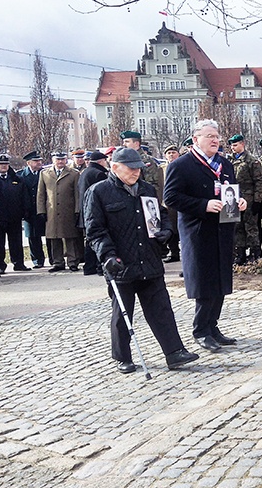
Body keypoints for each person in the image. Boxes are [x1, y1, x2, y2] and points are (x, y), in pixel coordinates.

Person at [84, 147, 199, 374]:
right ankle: (122, 357)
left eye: (139, 168)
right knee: (122, 313)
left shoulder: (147, 189)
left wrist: (166, 232)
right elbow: (95, 231)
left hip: (149, 259)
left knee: (162, 310)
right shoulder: (99, 192)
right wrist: (107, 255)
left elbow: (162, 216)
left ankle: (174, 352)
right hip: (120, 263)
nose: (136, 172)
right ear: (114, 167)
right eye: (131, 168)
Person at [164, 119, 248, 352]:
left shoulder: (224, 164)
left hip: (223, 229)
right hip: (198, 232)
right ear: (195, 140)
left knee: (221, 279)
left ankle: (213, 326)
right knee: (204, 281)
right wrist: (203, 205)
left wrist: (240, 201)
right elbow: (170, 197)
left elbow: (232, 189)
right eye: (209, 136)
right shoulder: (181, 165)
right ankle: (201, 330)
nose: (215, 140)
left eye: (217, 136)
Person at [37, 151, 81, 272]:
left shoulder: (74, 174)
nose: (60, 162)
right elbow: (41, 194)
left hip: (68, 210)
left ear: (66, 160)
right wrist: (41, 210)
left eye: (62, 159)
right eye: (58, 159)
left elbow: (77, 194)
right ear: (53, 160)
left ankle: (73, 262)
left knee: (70, 237)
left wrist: (77, 210)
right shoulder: (44, 173)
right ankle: (58, 262)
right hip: (51, 211)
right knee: (54, 237)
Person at [0, 154, 29, 275]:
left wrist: (24, 211)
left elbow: (23, 196)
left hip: (14, 216)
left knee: (16, 242)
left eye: (6, 164)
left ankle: (19, 263)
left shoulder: (16, 178)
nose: (4, 166)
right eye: (1, 164)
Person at [227, 134, 262, 264]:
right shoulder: (229, 161)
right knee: (237, 227)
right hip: (233, 198)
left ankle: (255, 252)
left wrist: (257, 200)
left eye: (235, 145)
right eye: (231, 145)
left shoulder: (251, 161)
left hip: (249, 198)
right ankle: (240, 253)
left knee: (251, 227)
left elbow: (259, 181)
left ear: (242, 144)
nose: (233, 147)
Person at [77, 150, 110, 275]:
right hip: (96, 212)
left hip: (85, 211)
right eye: (105, 161)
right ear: (101, 161)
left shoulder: (84, 172)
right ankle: (98, 267)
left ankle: (89, 267)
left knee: (90, 240)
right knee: (98, 239)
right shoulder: (99, 174)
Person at [19, 151, 47, 268]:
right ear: (29, 163)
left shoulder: (45, 173)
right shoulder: (21, 175)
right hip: (29, 211)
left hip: (44, 209)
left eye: (40, 161)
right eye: (36, 161)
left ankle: (53, 258)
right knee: (32, 236)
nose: (39, 163)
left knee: (49, 235)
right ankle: (37, 260)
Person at [120, 131, 164, 203]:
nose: (124, 144)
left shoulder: (146, 160)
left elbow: (152, 186)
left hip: (142, 201)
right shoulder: (124, 159)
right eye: (124, 142)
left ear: (136, 143)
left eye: (127, 141)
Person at [161, 144, 182, 263]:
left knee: (182, 229)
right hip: (168, 203)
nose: (171, 155)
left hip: (181, 202)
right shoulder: (162, 168)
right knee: (171, 229)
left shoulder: (183, 166)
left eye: (173, 152)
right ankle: (174, 252)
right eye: (169, 153)